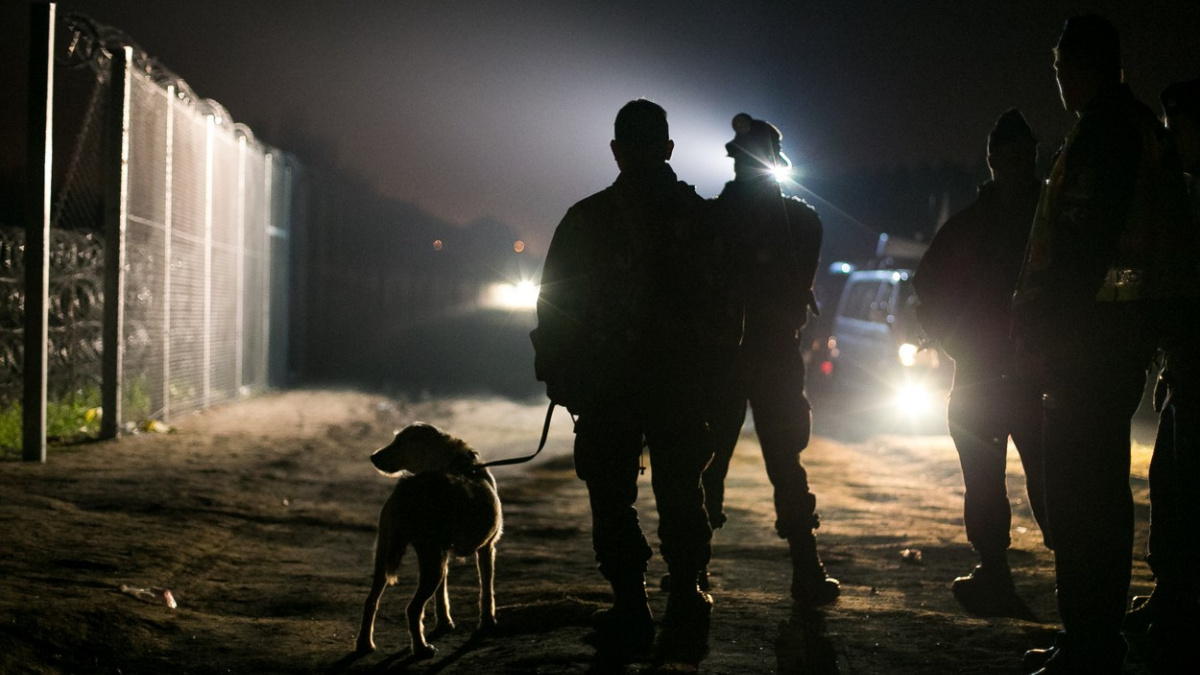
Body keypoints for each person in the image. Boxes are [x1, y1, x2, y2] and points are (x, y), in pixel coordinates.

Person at [1012, 16, 1188, 675]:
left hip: (1090, 344)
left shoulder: (1104, 134)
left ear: (1080, 68)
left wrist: (1045, 332)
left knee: (1083, 497)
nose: (1059, 83)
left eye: (1061, 70)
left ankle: (1089, 641)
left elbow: (1083, 251)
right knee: (1095, 493)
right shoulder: (1136, 127)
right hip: (1113, 341)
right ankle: (1089, 633)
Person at [532, 99, 727, 652]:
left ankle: (632, 606)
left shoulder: (587, 218)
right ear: (668, 149)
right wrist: (716, 376)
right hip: (680, 384)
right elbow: (728, 309)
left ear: (615, 151)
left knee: (612, 497)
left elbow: (555, 306)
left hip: (609, 385)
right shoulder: (701, 220)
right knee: (681, 491)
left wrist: (560, 373)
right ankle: (686, 594)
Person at [697, 113, 839, 606]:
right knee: (761, 462)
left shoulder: (719, 218)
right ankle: (803, 568)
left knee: (722, 463)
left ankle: (695, 573)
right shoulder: (797, 219)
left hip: (740, 357)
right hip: (759, 355)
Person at [913, 109, 1050, 614]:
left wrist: (957, 344)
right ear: (995, 159)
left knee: (1023, 482)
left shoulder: (984, 224)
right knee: (1022, 482)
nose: (1018, 163)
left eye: (1024, 154)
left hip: (1007, 379)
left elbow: (926, 290)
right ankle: (1017, 574)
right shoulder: (1044, 219)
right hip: (1014, 378)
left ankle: (1001, 574)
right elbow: (927, 290)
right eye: (1012, 154)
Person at [1123, 76, 1200, 669]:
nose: (1176, 138)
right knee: (1168, 486)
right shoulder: (1183, 191)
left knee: (1181, 489)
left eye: (1183, 126)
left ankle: (1179, 610)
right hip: (1185, 368)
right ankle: (1171, 598)